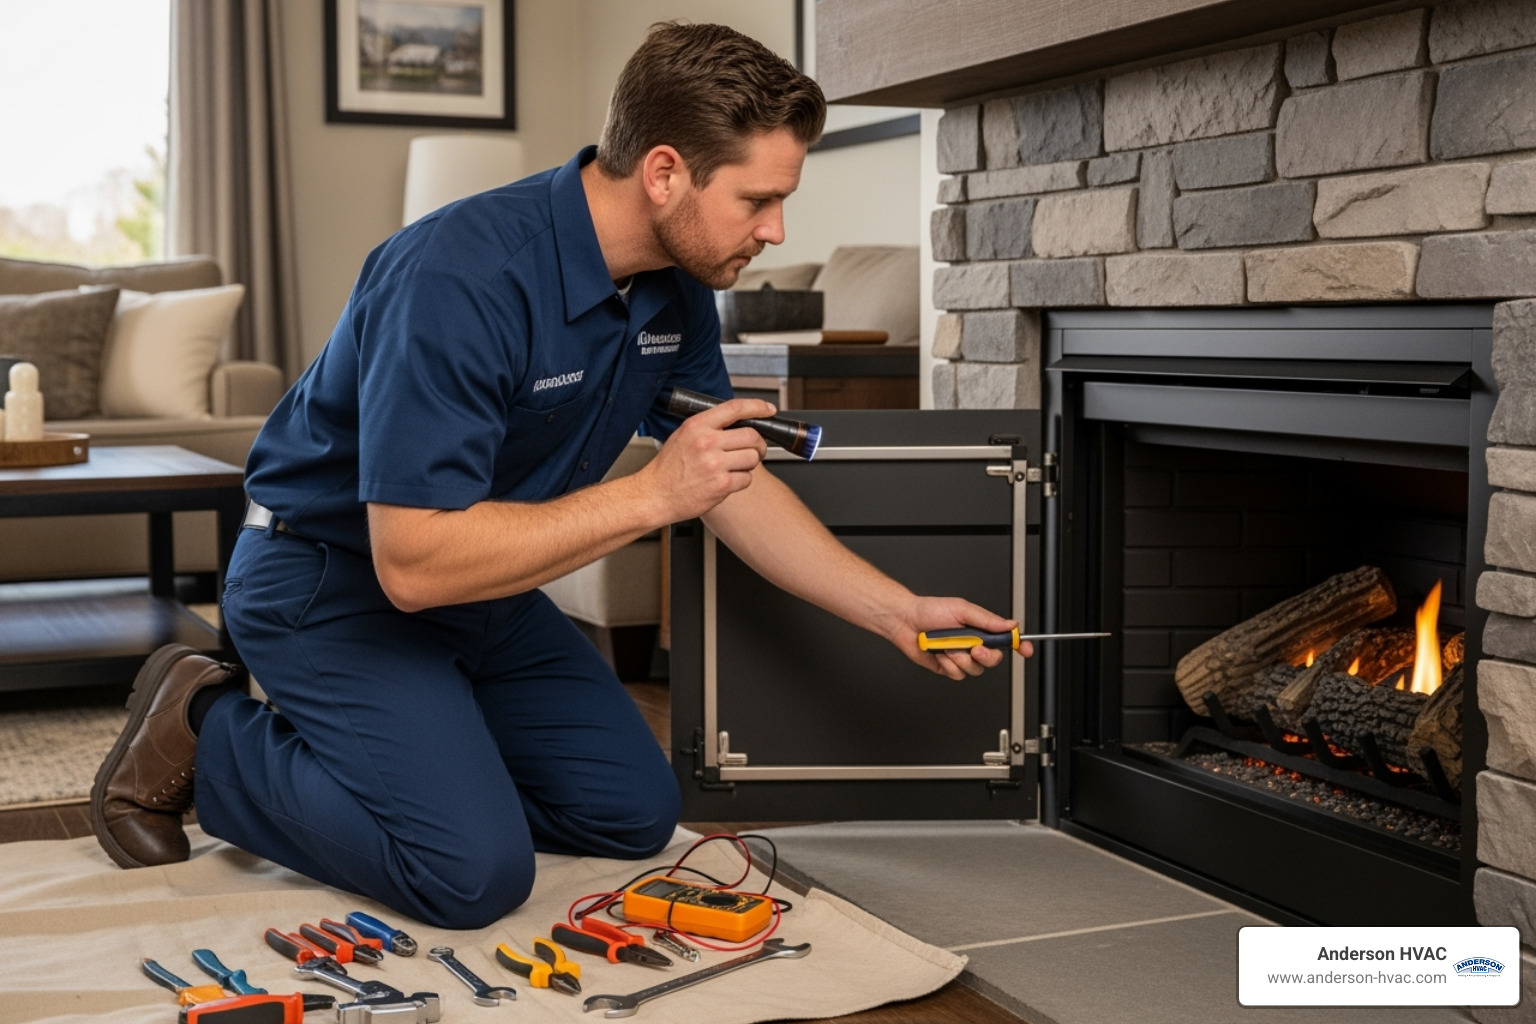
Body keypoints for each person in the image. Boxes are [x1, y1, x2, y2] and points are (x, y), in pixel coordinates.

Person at [89, 21, 1025, 929]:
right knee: (468, 875)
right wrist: (657, 494)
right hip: (330, 583)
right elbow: (412, 563)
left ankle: (435, 779)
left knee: (630, 812)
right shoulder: (459, 281)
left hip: (483, 590)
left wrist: (893, 611)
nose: (777, 229)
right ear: (664, 172)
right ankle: (207, 729)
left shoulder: (678, 288)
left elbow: (729, 481)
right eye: (757, 200)